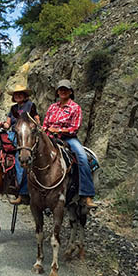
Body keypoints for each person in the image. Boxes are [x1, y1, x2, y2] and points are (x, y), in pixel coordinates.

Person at [42, 79, 97, 209]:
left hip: (68, 138)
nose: (63, 91)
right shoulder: (52, 107)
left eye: (65, 89)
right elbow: (45, 125)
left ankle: (86, 195)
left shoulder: (75, 107)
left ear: (70, 92)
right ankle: (29, 192)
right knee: (32, 154)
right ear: (57, 92)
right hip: (49, 138)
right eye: (60, 89)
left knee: (82, 157)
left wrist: (58, 130)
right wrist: (46, 131)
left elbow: (74, 128)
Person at [0, 84, 41, 204]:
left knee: (20, 156)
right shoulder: (13, 109)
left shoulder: (30, 105)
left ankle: (22, 192)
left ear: (25, 95)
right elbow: (8, 124)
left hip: (25, 134)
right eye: (16, 94)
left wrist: (34, 125)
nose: (18, 95)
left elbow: (36, 119)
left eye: (20, 93)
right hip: (14, 132)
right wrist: (3, 125)